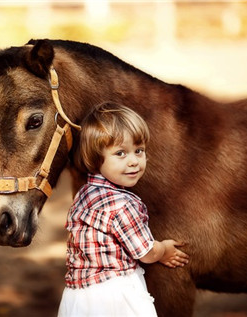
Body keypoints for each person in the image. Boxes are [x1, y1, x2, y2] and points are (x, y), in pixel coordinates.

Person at [58, 102, 189, 317]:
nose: (133, 162)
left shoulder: (83, 194)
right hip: (115, 296)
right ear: (95, 157)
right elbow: (146, 253)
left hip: (78, 297)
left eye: (139, 151)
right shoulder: (122, 205)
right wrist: (164, 250)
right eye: (120, 153)